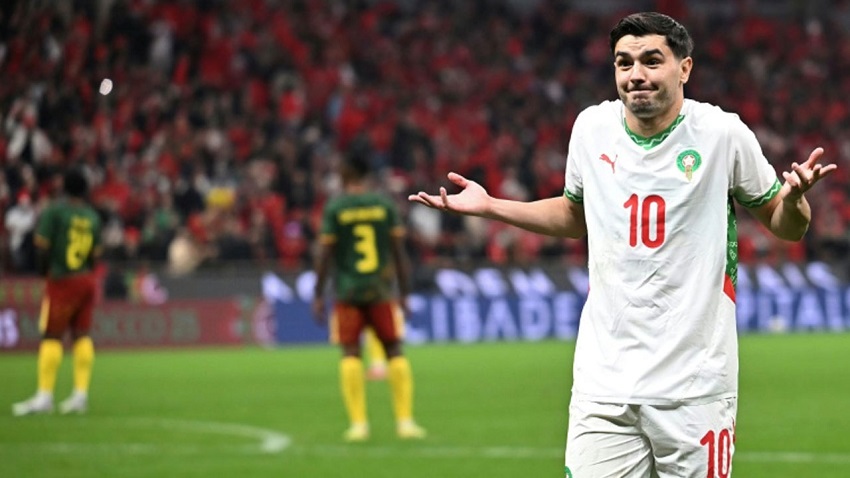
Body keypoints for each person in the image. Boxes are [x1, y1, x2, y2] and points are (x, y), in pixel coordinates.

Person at [410, 12, 836, 477]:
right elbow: (574, 215)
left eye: (652, 61)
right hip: (604, 383)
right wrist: (492, 206)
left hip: (695, 386)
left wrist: (795, 200)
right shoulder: (591, 129)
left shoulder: (722, 133)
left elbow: (786, 226)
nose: (636, 75)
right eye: (624, 62)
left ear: (684, 68)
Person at [312, 151, 426, 442]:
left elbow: (325, 255)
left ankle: (358, 425)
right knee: (394, 350)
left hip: (348, 291)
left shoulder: (336, 208)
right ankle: (405, 422)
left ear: (346, 175)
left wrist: (317, 294)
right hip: (381, 290)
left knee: (350, 353)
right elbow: (399, 253)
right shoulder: (383, 205)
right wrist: (404, 293)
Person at [12, 168, 103, 416]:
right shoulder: (93, 217)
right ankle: (80, 394)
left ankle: (44, 396)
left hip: (62, 279)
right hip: (86, 279)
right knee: (82, 335)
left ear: (64, 187)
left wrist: (45, 273)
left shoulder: (55, 212)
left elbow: (42, 247)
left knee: (52, 336)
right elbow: (96, 256)